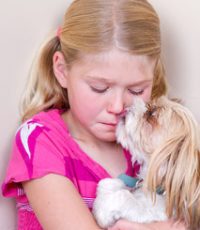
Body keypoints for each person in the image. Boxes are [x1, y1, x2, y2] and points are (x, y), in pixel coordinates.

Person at [2, 0, 186, 229]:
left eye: (136, 90)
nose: (118, 106)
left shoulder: (149, 145)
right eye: (100, 88)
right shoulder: (40, 140)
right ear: (62, 71)